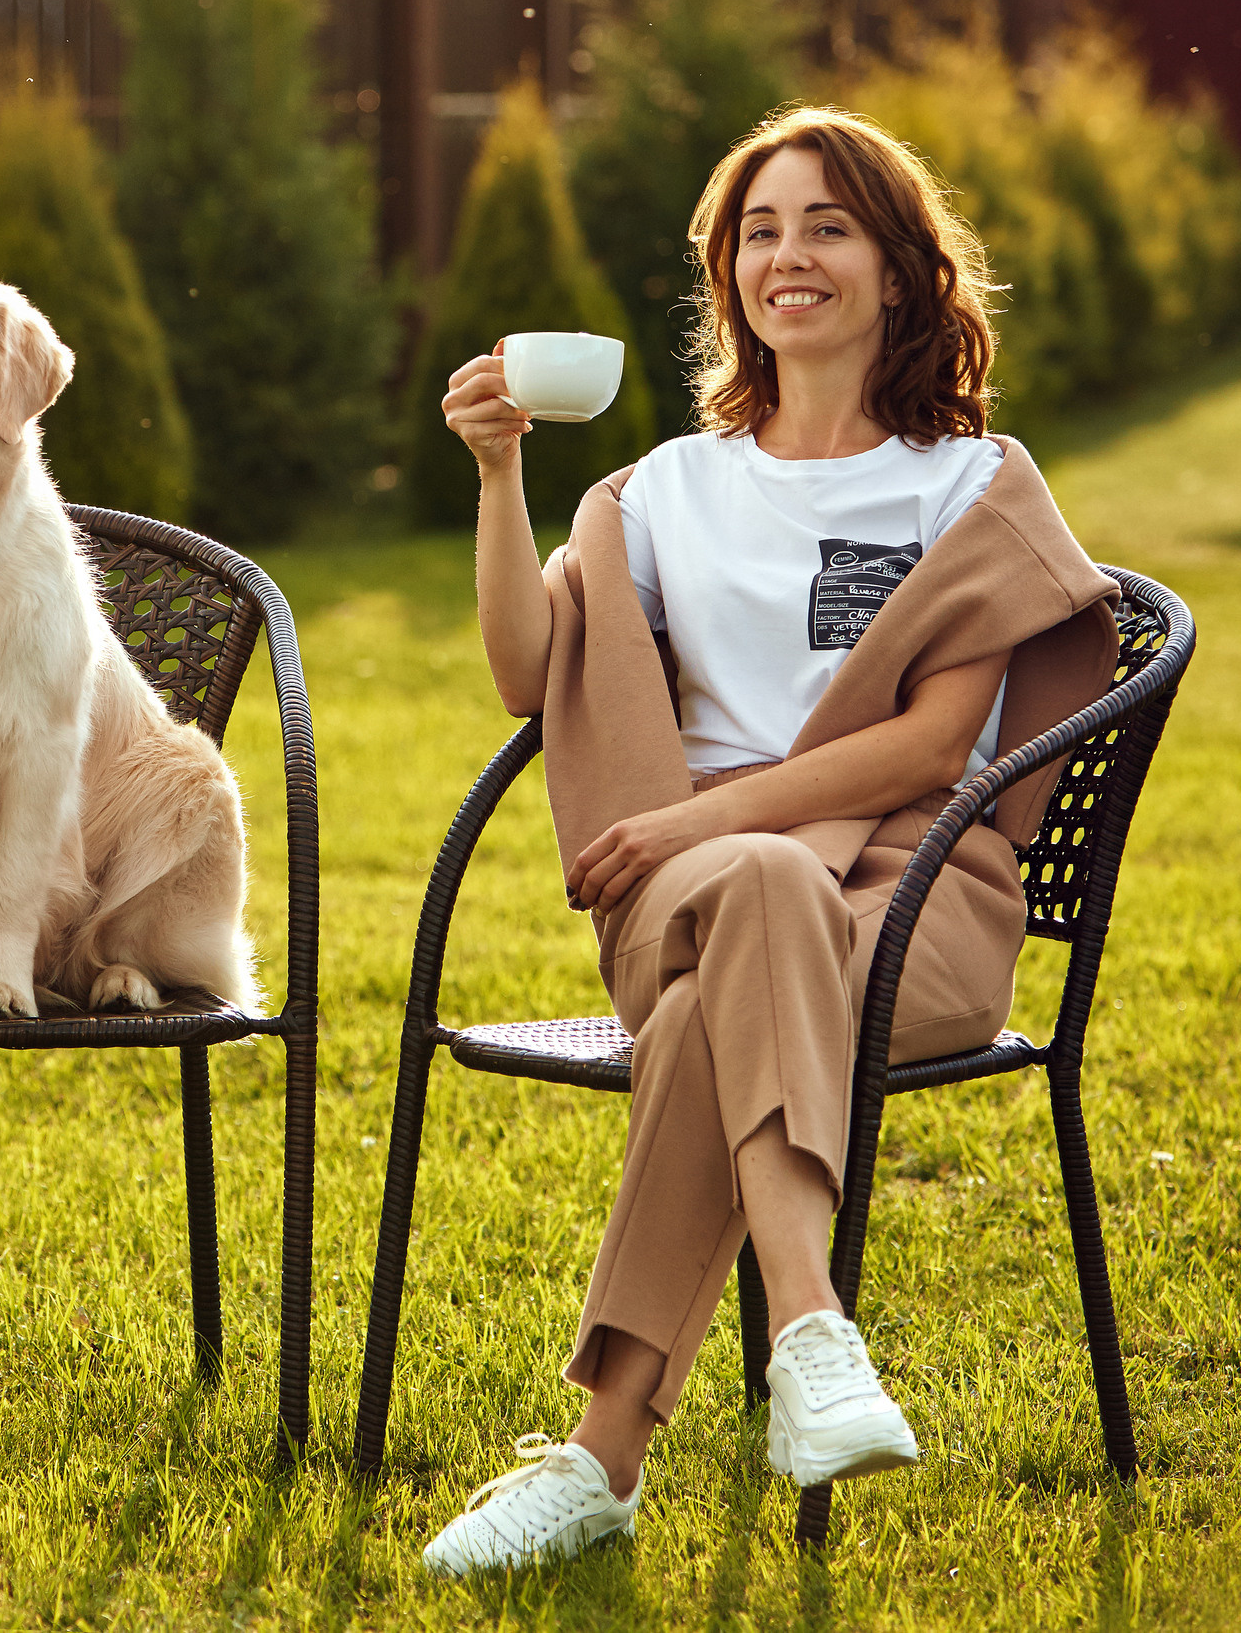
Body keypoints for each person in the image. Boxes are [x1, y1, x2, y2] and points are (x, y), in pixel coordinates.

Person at [419, 107, 1122, 1573]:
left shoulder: (970, 488)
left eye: (828, 225)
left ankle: (604, 1462)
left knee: (707, 1008)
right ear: (727, 275)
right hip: (692, 886)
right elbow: (522, 671)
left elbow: (939, 747)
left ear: (900, 270)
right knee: (744, 896)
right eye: (758, 230)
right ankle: (812, 1333)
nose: (787, 255)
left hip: (919, 895)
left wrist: (708, 817)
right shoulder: (669, 489)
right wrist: (497, 477)